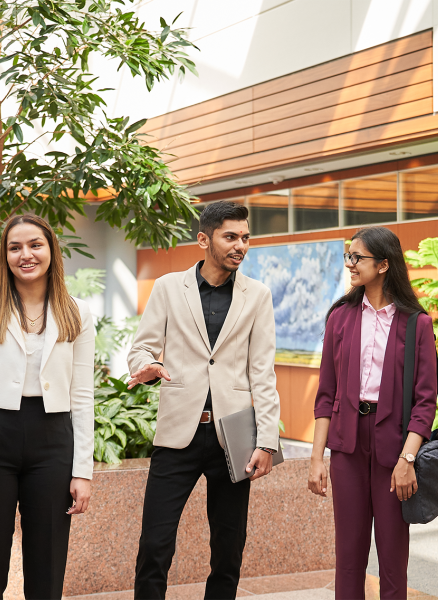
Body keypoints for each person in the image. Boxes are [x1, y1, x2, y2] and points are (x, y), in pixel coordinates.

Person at [126, 200, 280, 600]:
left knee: (229, 548)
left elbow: (262, 372)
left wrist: (266, 441)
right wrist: (149, 365)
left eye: (245, 238)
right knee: (155, 544)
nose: (240, 246)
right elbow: (140, 349)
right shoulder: (167, 287)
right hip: (179, 432)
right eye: (230, 237)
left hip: (235, 436)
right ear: (203, 239)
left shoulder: (258, 295)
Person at [0, 214, 95, 600]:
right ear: (4, 254)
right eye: (15, 247)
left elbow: (82, 395)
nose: (25, 254)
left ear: (51, 250)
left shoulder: (78, 311)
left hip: (53, 439)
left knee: (48, 562)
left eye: (35, 245)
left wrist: (83, 471)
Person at [307, 227, 438, 600]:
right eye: (348, 256)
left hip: (394, 446)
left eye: (357, 257)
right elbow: (326, 394)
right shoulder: (340, 317)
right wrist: (317, 457)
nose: (350, 264)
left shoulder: (417, 323)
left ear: (383, 264)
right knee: (348, 554)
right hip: (346, 444)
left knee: (393, 557)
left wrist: (407, 458)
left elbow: (425, 401)